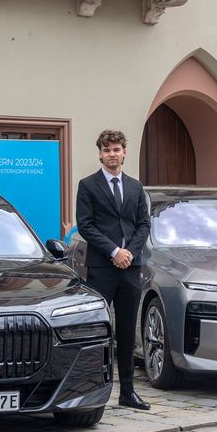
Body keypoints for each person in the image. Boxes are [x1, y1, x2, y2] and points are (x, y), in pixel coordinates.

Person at [76, 129, 152, 410]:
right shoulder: (88, 185)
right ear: (100, 154)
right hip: (102, 268)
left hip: (130, 267)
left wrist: (129, 252)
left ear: (124, 153)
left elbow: (143, 224)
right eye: (107, 150)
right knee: (97, 330)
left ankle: (128, 393)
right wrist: (114, 251)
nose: (112, 154)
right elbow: (86, 225)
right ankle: (91, 392)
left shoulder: (135, 187)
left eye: (116, 149)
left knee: (128, 331)